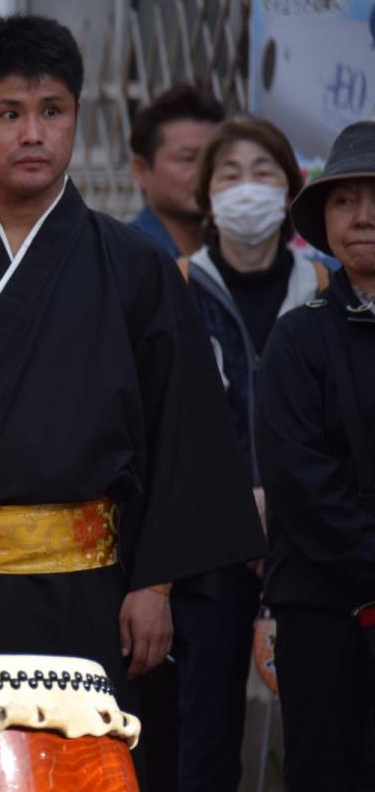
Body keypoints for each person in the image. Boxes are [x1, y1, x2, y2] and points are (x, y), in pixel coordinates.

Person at [0, 14, 266, 782]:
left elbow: (181, 436)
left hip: (90, 593)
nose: (33, 133)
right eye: (9, 114)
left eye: (53, 111)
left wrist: (154, 581)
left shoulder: (138, 268)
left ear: (78, 116)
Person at [145, 117, 322, 792]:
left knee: (318, 723)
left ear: (292, 188)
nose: (247, 189)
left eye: (264, 173)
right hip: (207, 549)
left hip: (309, 544)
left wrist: (287, 500)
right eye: (229, 174)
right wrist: (231, 503)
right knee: (206, 730)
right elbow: (164, 425)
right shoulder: (176, 286)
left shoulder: (328, 289)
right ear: (206, 194)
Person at [257, 120, 375, 791]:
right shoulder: (297, 340)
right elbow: (299, 479)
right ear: (323, 219)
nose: (365, 216)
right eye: (345, 199)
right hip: (323, 609)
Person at [128, 86, 224, 258]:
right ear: (141, 171)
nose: (205, 173)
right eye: (188, 159)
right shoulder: (120, 256)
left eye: (214, 159)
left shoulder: (233, 255)